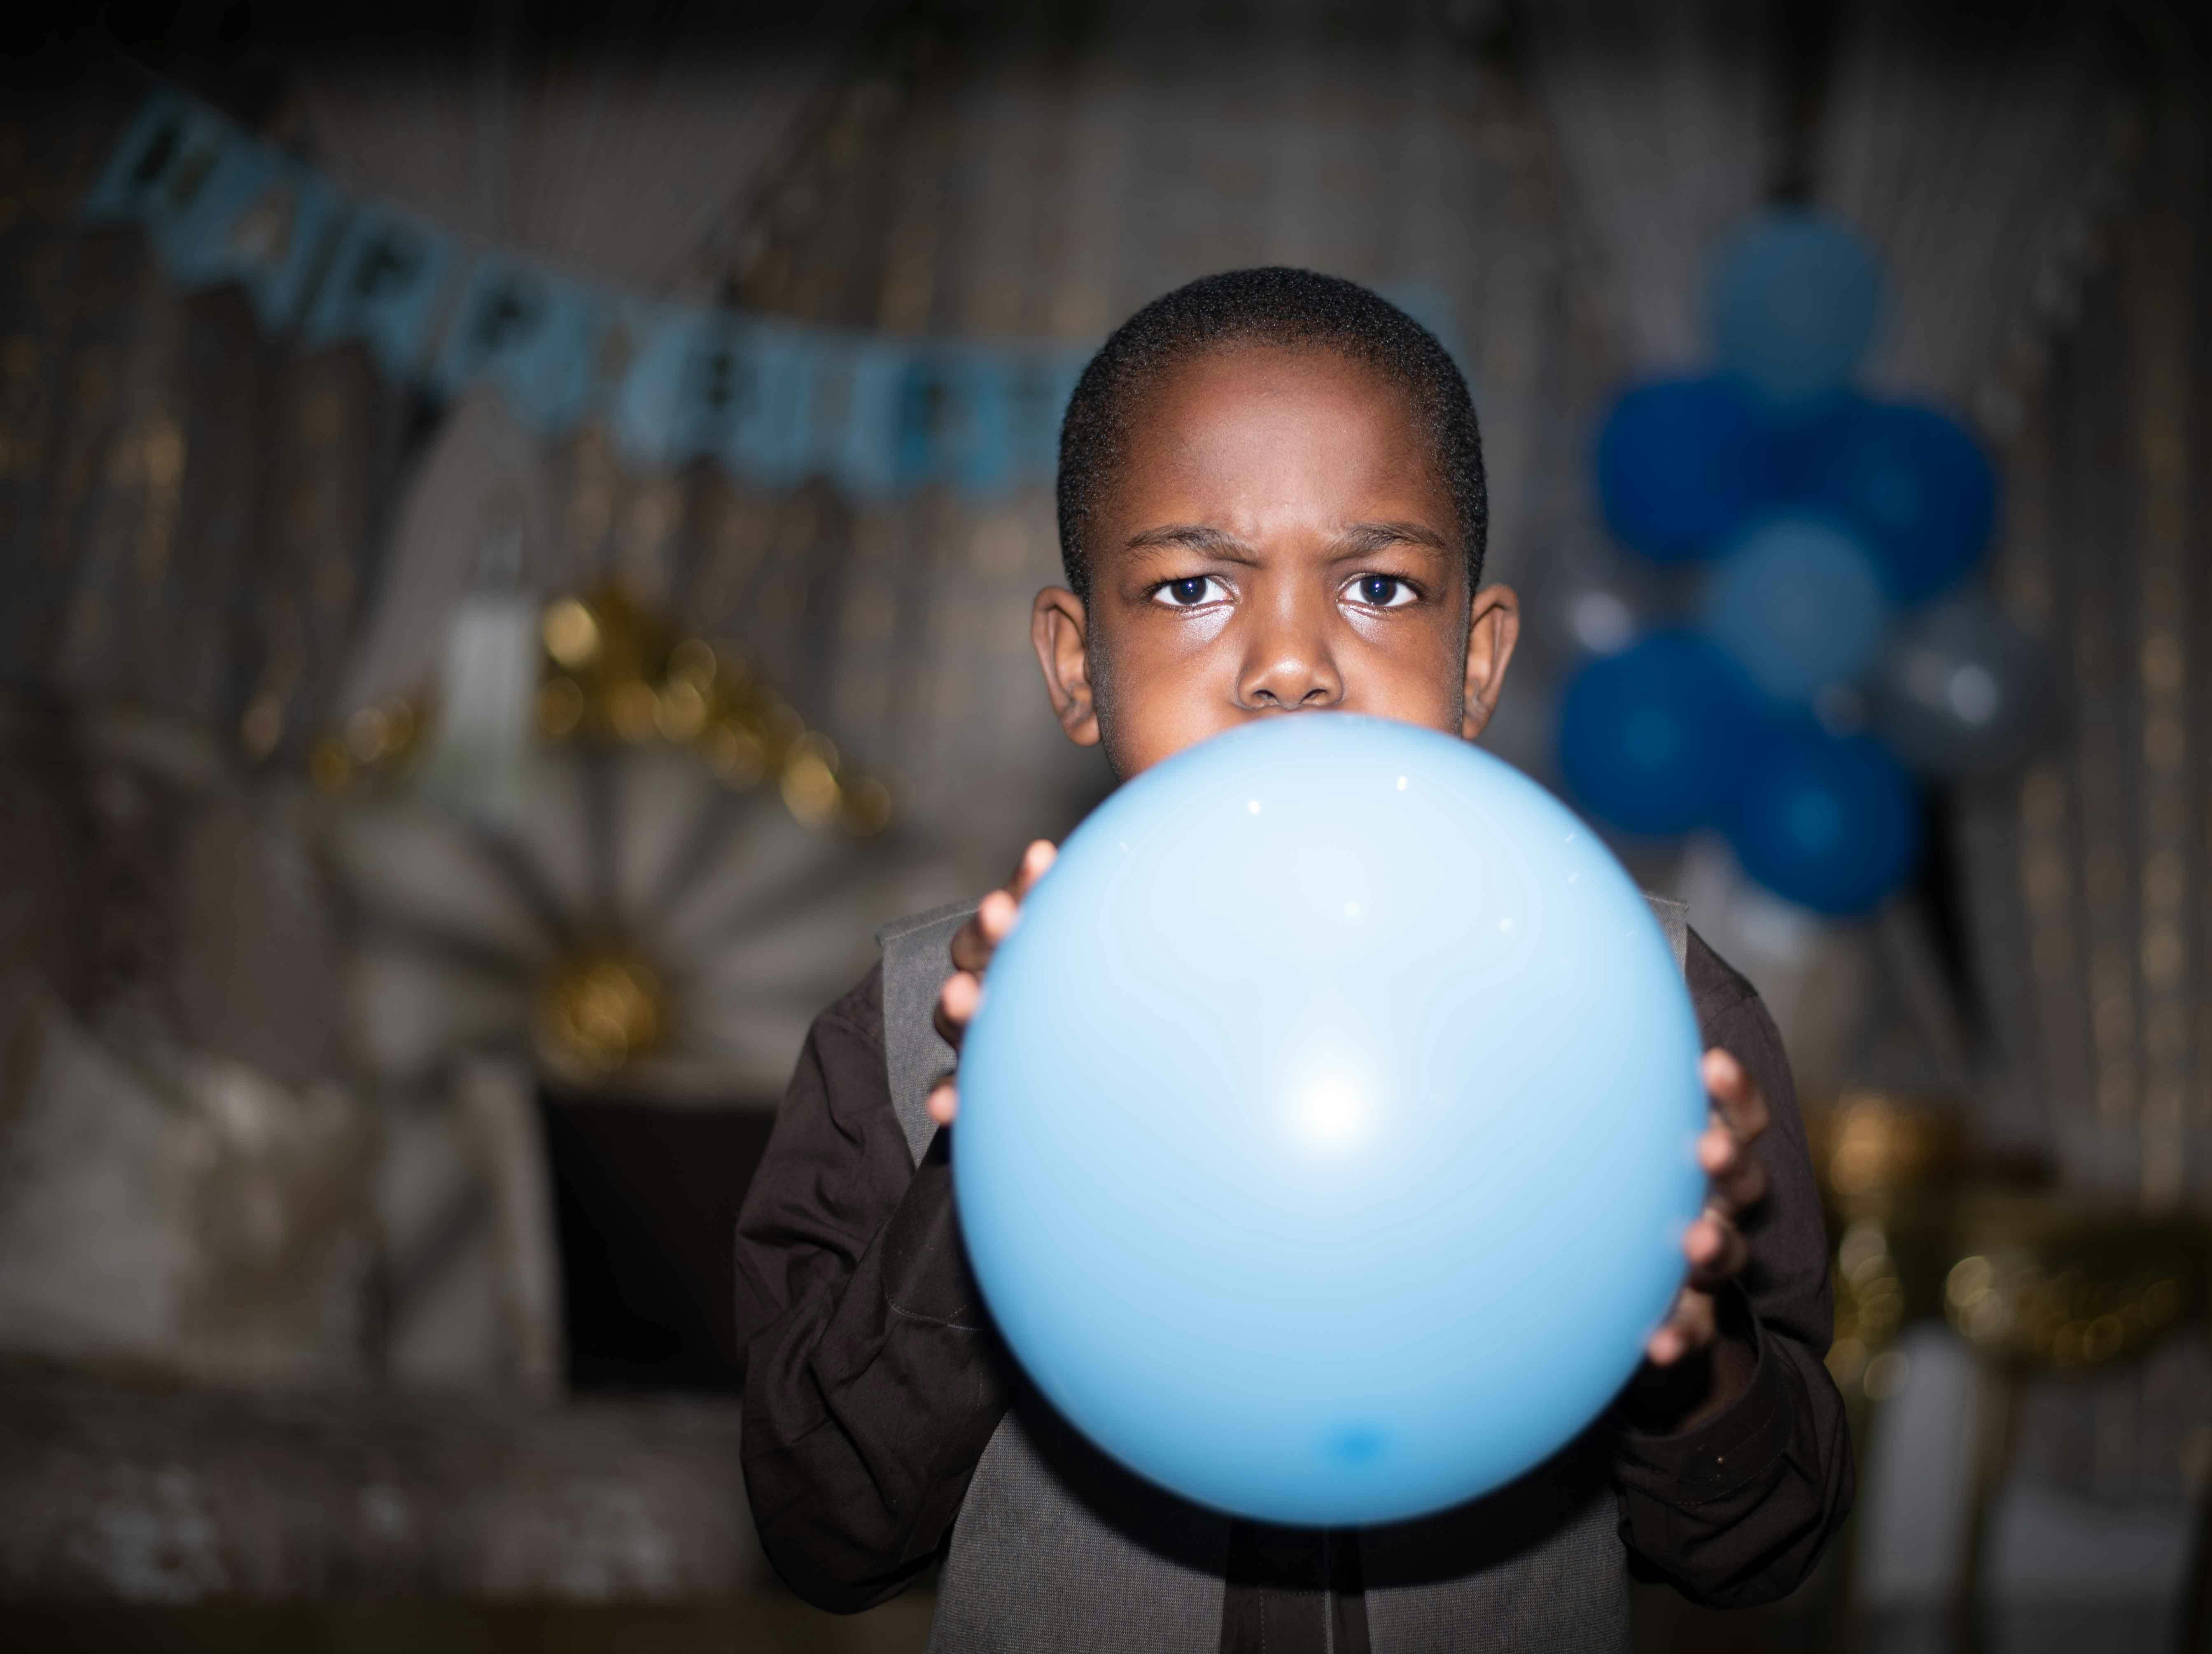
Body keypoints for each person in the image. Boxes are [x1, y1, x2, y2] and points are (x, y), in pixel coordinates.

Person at [737, 269, 1852, 1652]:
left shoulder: (1651, 1018)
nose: (1289, 663)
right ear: (1077, 665)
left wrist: (1688, 1348)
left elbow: (1772, 1543)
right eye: (1192, 585)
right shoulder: (916, 1027)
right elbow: (822, 1528)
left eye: (1379, 586)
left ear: (1479, 660)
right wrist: (1000, 1159)